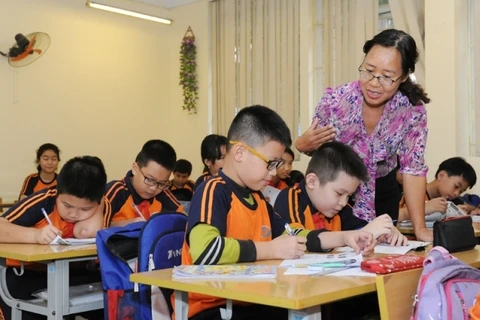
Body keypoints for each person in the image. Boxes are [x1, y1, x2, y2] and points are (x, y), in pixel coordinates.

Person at [179, 105, 375, 320]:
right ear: (240, 152)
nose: (273, 173)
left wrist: (344, 237)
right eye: (270, 163)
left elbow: (294, 236)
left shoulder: (258, 198)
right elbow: (206, 250)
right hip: (215, 307)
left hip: (251, 300)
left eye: (277, 164)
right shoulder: (214, 190)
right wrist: (271, 249)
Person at [295, 29, 431, 241]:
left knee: (383, 255)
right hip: (339, 196)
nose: (374, 83)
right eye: (368, 71)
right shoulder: (336, 102)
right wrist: (302, 146)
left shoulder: (411, 112)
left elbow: (412, 171)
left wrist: (420, 228)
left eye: (387, 77)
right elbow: (320, 156)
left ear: (404, 76)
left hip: (383, 192)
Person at [0, 156, 109, 320]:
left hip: (72, 275)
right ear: (58, 192)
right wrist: (35, 235)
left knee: (113, 304)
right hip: (26, 275)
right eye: (67, 205)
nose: (73, 214)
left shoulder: (101, 205)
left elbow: (85, 232)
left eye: (85, 209)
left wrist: (100, 204)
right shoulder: (44, 200)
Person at [275, 141, 406, 245]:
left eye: (349, 196)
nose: (343, 202)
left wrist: (384, 233)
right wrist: (362, 233)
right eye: (339, 193)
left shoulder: (340, 209)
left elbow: (361, 229)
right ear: (312, 181)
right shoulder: (291, 197)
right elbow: (295, 237)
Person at [104, 140, 184, 227]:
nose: (154, 188)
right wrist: (129, 225)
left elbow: (184, 219)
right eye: (150, 179)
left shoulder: (162, 192)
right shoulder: (116, 191)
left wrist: (164, 220)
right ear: (135, 168)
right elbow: (97, 229)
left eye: (162, 183)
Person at [398, 157, 477, 221]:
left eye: (461, 191)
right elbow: (394, 216)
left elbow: (470, 208)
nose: (456, 193)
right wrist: (424, 208)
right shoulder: (415, 192)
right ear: (441, 176)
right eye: (456, 186)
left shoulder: (451, 200)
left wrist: (473, 211)